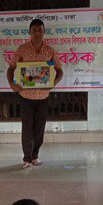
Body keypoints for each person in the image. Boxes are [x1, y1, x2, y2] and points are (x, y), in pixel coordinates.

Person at [7, 19, 64, 169]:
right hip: (25, 97)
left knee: (39, 128)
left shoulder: (50, 51)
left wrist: (53, 83)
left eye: (40, 30)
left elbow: (59, 70)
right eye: (34, 30)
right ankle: (26, 158)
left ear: (44, 32)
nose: (37, 33)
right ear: (29, 32)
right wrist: (12, 84)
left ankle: (35, 156)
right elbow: (11, 68)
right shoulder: (22, 49)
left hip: (43, 97)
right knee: (27, 128)